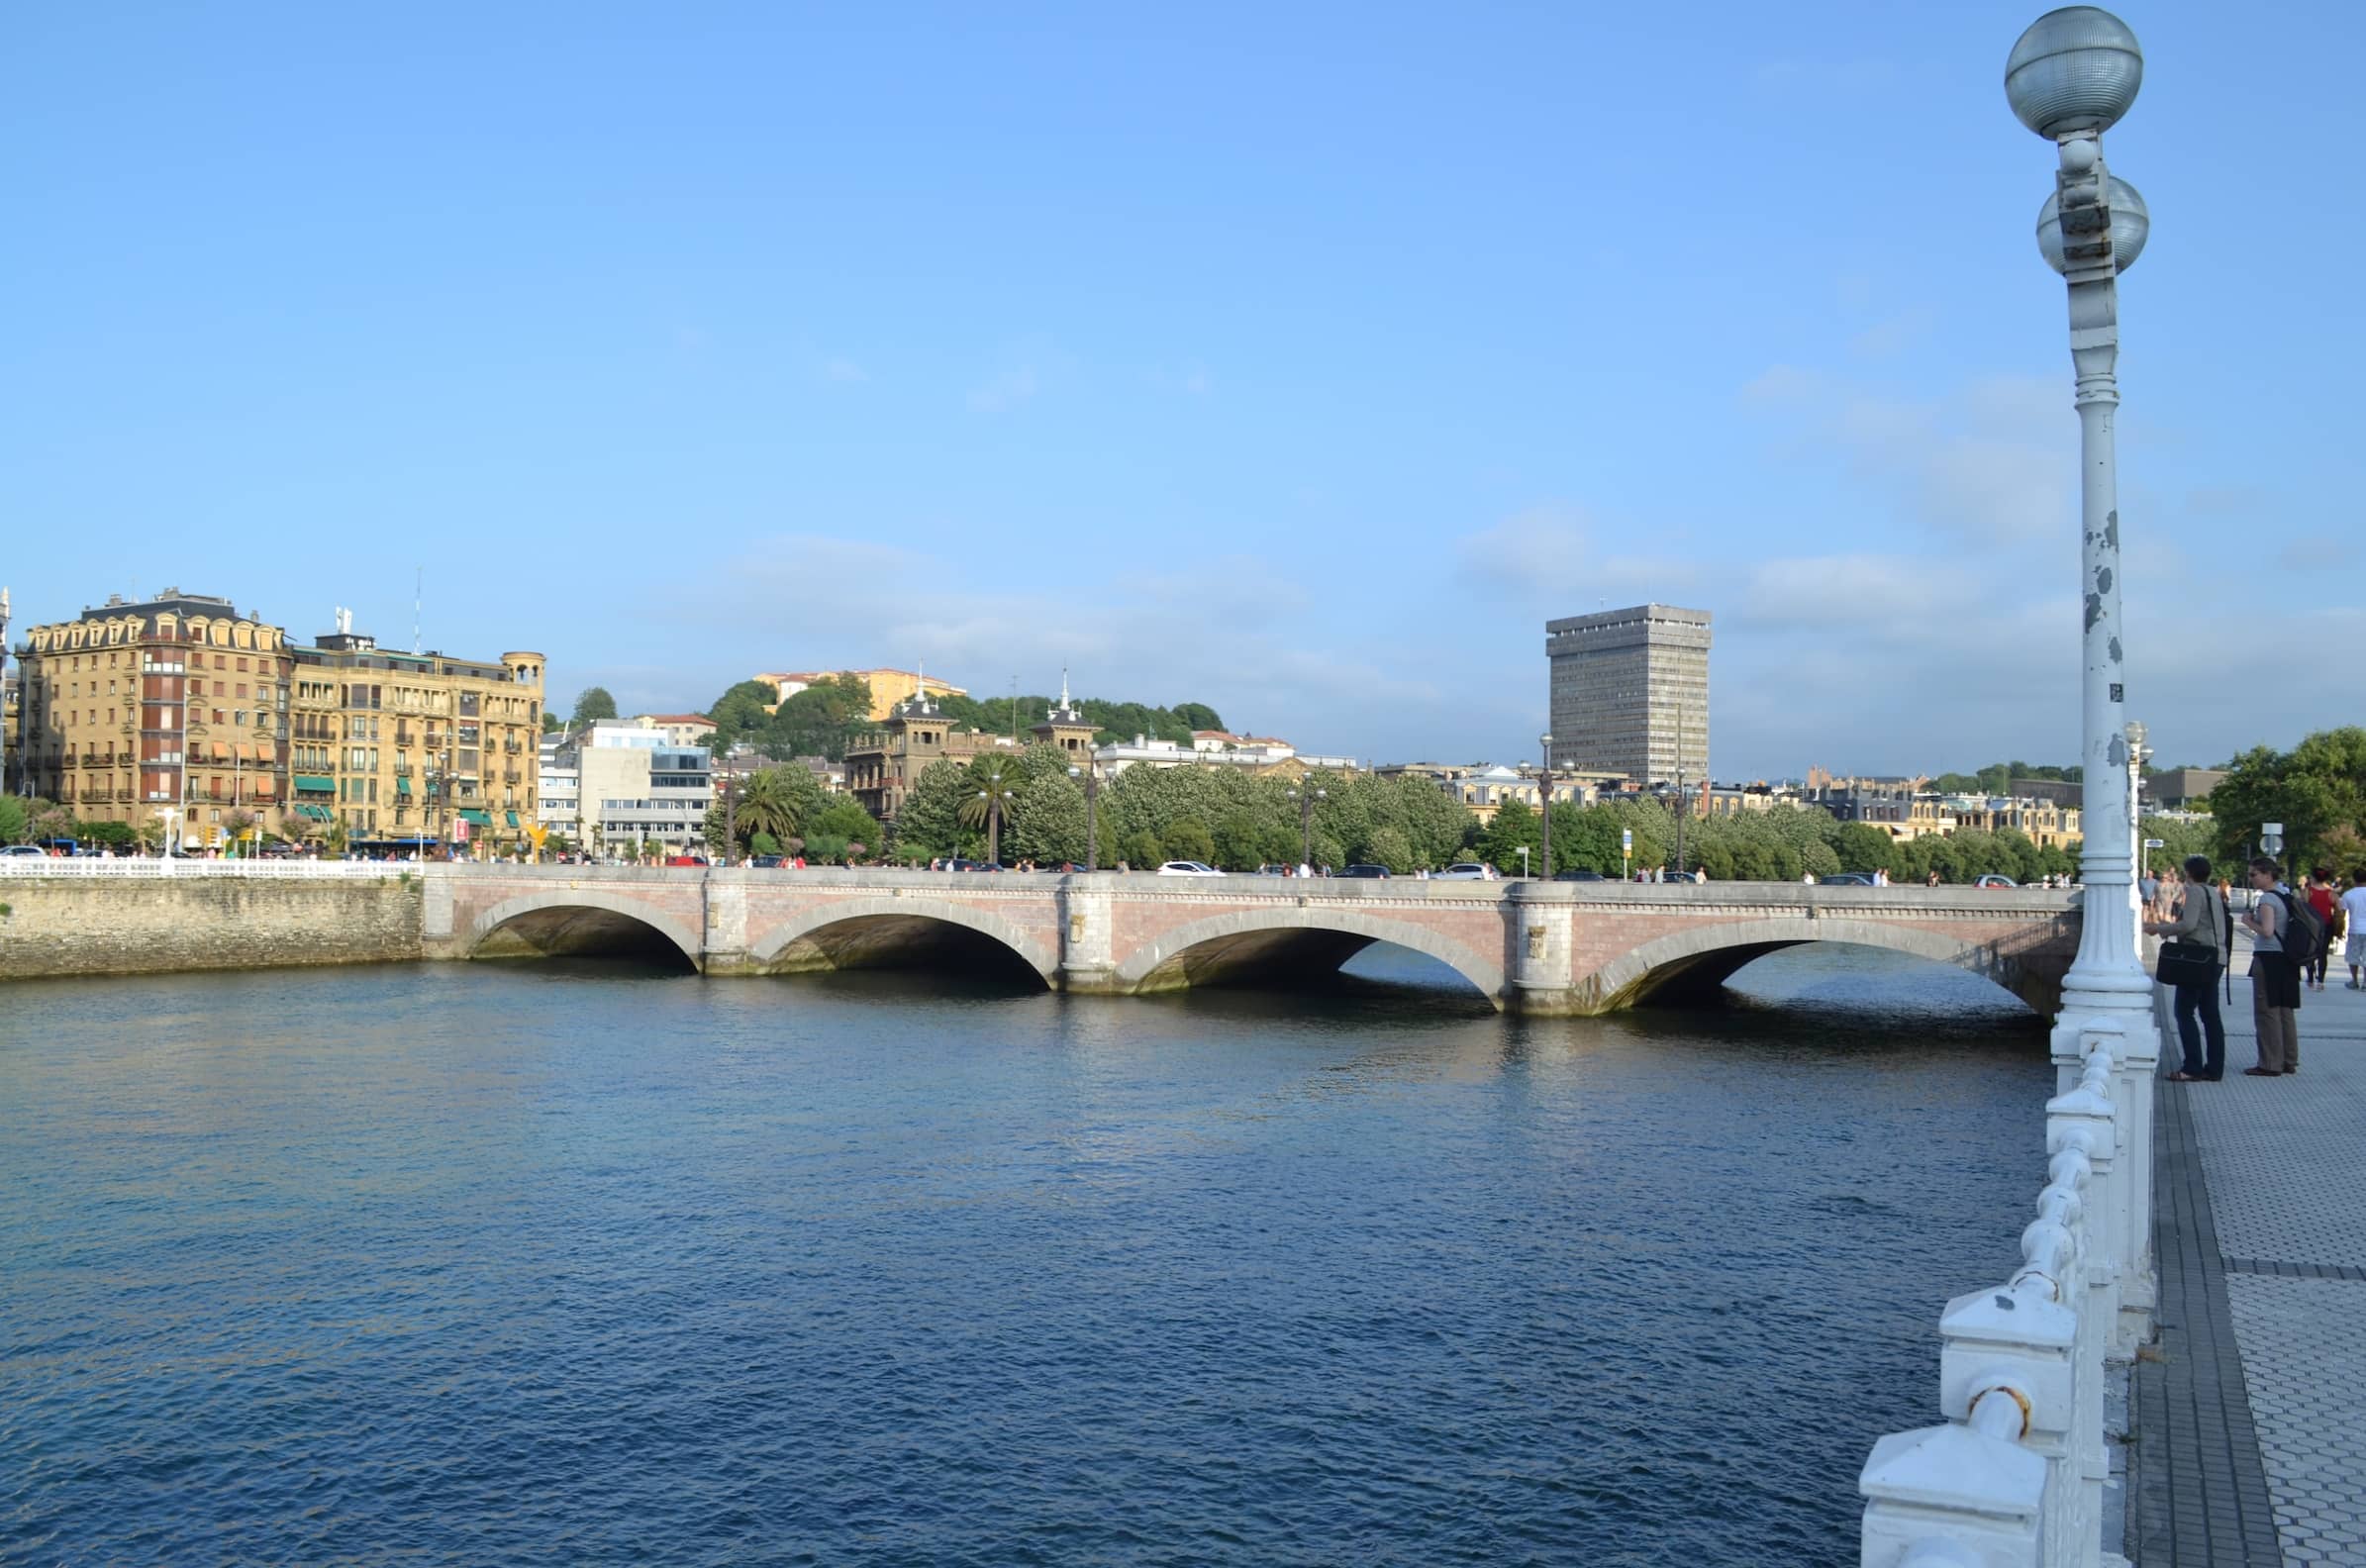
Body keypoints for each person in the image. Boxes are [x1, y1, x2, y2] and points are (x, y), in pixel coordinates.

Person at [2146, 854, 2227, 1082]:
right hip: (2216, 957)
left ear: (2188, 874)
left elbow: (2189, 925)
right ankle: (2214, 1068)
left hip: (2197, 960)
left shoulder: (2194, 892)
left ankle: (2191, 1067)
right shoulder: (2213, 892)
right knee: (2211, 1015)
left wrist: (2160, 929)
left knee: (2183, 1011)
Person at [2240, 855, 2302, 1076]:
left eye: (2254, 874)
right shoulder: (2286, 894)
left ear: (2267, 874)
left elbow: (2266, 931)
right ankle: (2289, 1059)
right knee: (2285, 1010)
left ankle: (2269, 1063)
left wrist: (2248, 922)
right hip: (2287, 959)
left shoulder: (2267, 899)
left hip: (2268, 958)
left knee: (2267, 1011)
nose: (2251, 879)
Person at [2305, 867, 2339, 990]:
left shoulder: (2309, 891)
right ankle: (2321, 981)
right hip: (2327, 925)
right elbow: (2338, 911)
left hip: (2311, 925)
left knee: (2310, 952)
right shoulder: (2331, 893)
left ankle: (2310, 978)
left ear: (2313, 878)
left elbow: (2303, 907)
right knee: (2322, 953)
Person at [2342, 867, 2366, 991]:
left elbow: (2341, 912)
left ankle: (2354, 980)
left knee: (2353, 957)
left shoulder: (2348, 894)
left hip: (2355, 929)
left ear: (2354, 879)